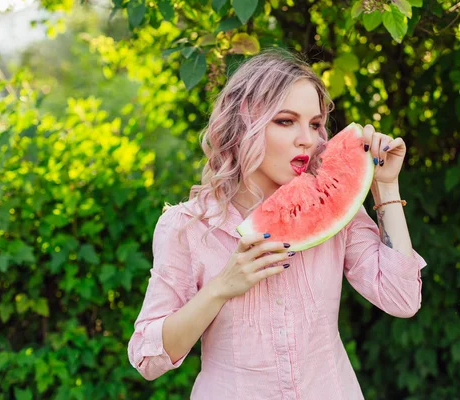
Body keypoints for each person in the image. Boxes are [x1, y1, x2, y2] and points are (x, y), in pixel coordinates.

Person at [127, 49, 427, 399]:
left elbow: (402, 299)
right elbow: (148, 359)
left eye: (315, 124)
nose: (308, 139)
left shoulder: (332, 209)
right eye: (286, 121)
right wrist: (221, 287)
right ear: (243, 124)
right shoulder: (188, 226)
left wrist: (386, 185)